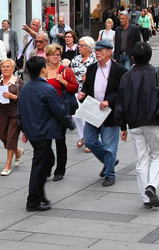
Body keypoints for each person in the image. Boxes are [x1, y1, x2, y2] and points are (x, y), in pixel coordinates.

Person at [115, 41, 159, 209]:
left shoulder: (126, 77)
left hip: (134, 122)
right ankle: (152, 185)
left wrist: (122, 125)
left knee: (141, 158)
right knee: (157, 154)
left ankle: (146, 196)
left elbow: (120, 102)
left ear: (132, 57)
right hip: (153, 120)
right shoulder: (157, 73)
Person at [18, 56, 74, 212]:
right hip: (43, 132)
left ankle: (39, 193)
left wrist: (23, 129)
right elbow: (59, 110)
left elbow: (20, 112)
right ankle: (33, 200)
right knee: (40, 164)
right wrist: (69, 123)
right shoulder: (47, 88)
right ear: (43, 69)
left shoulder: (26, 88)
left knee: (47, 160)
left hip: (33, 132)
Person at [79, 40, 127, 187]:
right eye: (96, 50)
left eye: (101, 50)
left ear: (109, 51)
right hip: (93, 111)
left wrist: (109, 101)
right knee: (90, 140)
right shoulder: (92, 68)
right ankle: (109, 162)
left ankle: (110, 174)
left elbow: (123, 92)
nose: (97, 53)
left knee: (109, 146)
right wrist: (83, 94)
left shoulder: (120, 71)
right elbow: (87, 88)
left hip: (110, 113)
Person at [41, 44, 79, 181]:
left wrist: (63, 82)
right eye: (53, 55)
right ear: (47, 56)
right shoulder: (43, 71)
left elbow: (75, 88)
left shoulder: (65, 71)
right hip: (45, 111)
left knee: (60, 141)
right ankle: (47, 167)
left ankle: (60, 170)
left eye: (58, 55)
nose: (55, 57)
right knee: (45, 143)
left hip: (60, 110)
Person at [0, 59, 24, 176]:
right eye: (3, 67)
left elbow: (24, 100)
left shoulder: (18, 82)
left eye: (8, 67)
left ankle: (8, 165)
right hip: (2, 112)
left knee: (11, 138)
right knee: (3, 137)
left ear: (13, 69)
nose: (5, 69)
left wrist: (12, 96)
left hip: (15, 113)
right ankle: (17, 151)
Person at [70, 36, 97, 153]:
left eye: (81, 45)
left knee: (88, 117)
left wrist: (89, 78)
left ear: (89, 47)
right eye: (79, 45)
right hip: (77, 91)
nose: (79, 47)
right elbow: (71, 73)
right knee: (76, 116)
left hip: (90, 92)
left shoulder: (95, 59)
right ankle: (83, 137)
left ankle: (89, 140)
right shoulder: (76, 59)